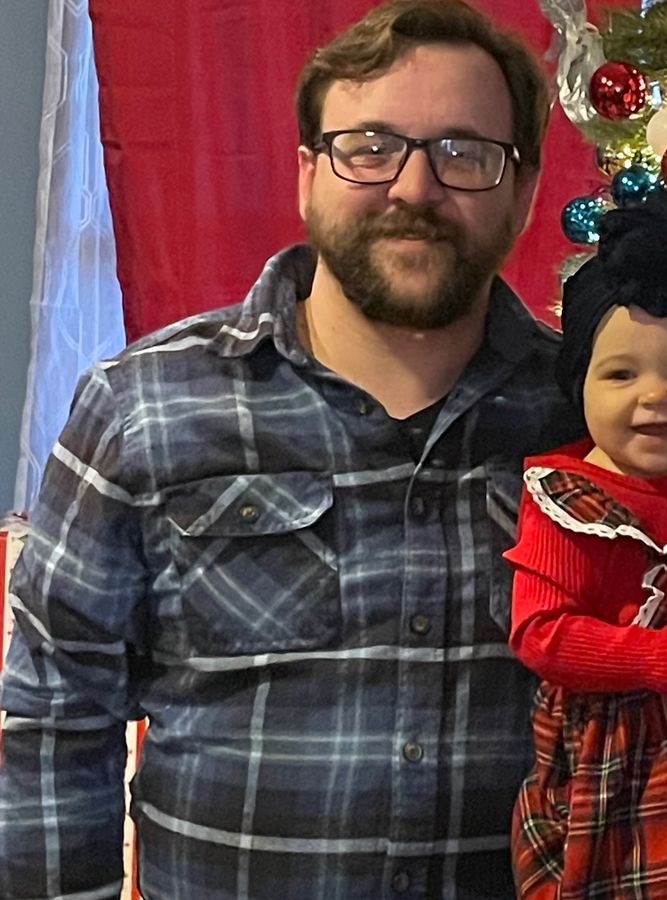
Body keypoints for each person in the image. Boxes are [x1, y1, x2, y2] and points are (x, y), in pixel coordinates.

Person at [0, 2, 581, 897]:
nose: (414, 188)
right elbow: (55, 722)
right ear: (308, 174)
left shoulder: (585, 418)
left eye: (464, 153)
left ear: (524, 189)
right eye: (370, 147)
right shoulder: (141, 408)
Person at [504, 191, 667, 898]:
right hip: (609, 760)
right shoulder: (569, 501)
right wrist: (659, 654)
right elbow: (539, 634)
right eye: (621, 374)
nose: (655, 395)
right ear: (580, 383)